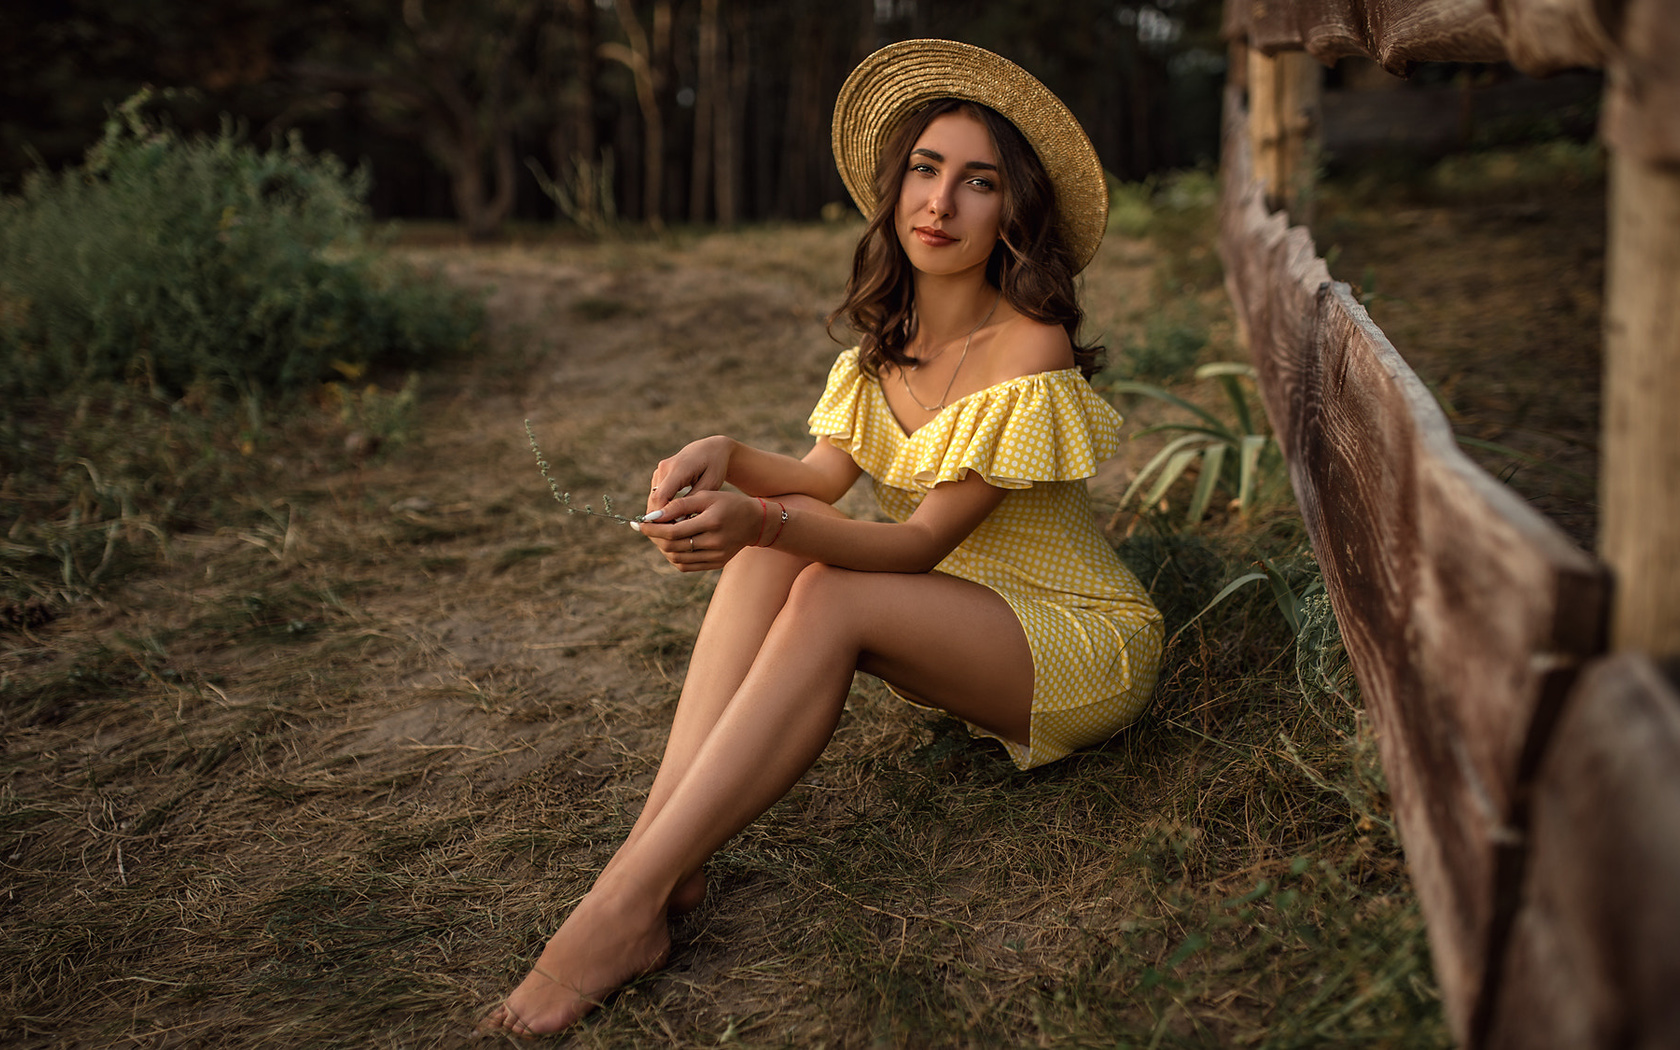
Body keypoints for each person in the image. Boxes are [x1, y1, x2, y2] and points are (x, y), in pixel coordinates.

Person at [478, 38, 1163, 1038]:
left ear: (1015, 211)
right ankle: (656, 865)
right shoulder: (885, 345)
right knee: (778, 553)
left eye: (978, 182)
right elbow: (818, 481)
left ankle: (622, 908)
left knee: (821, 583)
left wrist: (762, 517)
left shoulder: (1030, 344)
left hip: (1074, 640)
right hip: (961, 620)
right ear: (895, 188)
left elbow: (918, 543)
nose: (940, 202)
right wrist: (727, 457)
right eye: (924, 169)